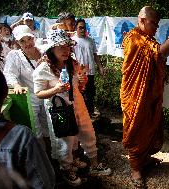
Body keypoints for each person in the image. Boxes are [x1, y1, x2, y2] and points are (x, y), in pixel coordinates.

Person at [120, 6, 169, 188]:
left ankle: (145, 159)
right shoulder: (135, 40)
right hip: (135, 96)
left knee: (150, 126)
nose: (156, 27)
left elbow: (155, 58)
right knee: (137, 128)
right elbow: (160, 52)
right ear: (141, 20)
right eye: (153, 23)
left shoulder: (146, 39)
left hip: (149, 94)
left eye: (158, 24)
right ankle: (136, 169)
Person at [33, 29, 111, 186]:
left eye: (68, 47)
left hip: (78, 104)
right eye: (61, 47)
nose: (66, 50)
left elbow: (79, 86)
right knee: (64, 139)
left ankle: (94, 165)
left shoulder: (72, 63)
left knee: (87, 131)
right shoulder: (43, 68)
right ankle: (66, 168)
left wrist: (82, 80)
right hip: (59, 110)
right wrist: (56, 89)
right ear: (51, 49)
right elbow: (39, 93)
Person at [0, 65, 55, 189]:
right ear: (6, 92)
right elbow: (44, 183)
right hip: (33, 102)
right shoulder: (20, 137)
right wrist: (16, 84)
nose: (28, 44)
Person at [3, 25, 50, 156]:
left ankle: (53, 155)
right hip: (31, 99)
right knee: (36, 130)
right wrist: (15, 85)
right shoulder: (15, 56)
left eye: (29, 39)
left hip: (48, 97)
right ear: (17, 42)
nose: (27, 43)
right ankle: (41, 157)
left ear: (33, 37)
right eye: (22, 41)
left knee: (49, 127)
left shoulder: (44, 52)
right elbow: (9, 74)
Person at [72, 18, 105, 116]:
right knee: (80, 94)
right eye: (80, 28)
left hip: (90, 72)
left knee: (90, 94)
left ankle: (90, 115)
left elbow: (95, 55)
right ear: (76, 28)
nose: (82, 30)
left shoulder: (90, 40)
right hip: (79, 74)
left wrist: (100, 67)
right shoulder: (72, 41)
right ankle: (81, 116)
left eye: (84, 28)